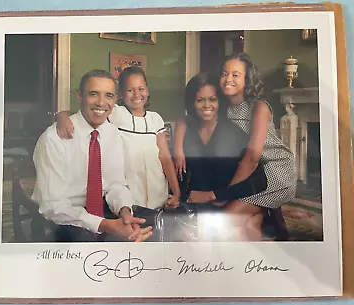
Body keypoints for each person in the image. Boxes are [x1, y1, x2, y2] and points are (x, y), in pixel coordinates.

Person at [173, 53, 296, 241]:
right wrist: (178, 149)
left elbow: (252, 157)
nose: (228, 79)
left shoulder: (259, 107)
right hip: (253, 172)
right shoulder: (222, 105)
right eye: (224, 73)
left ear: (247, 79)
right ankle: (258, 246)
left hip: (274, 171)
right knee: (247, 223)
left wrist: (221, 195)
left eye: (236, 75)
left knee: (221, 221)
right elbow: (183, 120)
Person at [31, 69, 152, 242]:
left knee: (147, 229)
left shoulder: (113, 134)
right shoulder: (53, 139)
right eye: (94, 94)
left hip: (100, 210)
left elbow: (115, 184)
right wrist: (105, 225)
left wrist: (125, 211)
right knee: (91, 248)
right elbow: (53, 205)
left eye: (109, 96)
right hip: (60, 219)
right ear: (79, 96)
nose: (101, 103)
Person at [56, 66, 181, 210]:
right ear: (120, 94)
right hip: (127, 194)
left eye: (141, 88)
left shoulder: (155, 119)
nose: (136, 94)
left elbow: (164, 157)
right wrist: (61, 117)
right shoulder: (115, 113)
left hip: (157, 191)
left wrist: (176, 192)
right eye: (130, 90)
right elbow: (83, 113)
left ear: (147, 90)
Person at [175, 72, 268, 242]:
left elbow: (259, 181)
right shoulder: (187, 133)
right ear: (192, 103)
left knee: (230, 232)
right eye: (200, 100)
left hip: (235, 197)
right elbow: (184, 175)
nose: (206, 105)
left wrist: (214, 195)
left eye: (212, 99)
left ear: (219, 101)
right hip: (202, 204)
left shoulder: (233, 133)